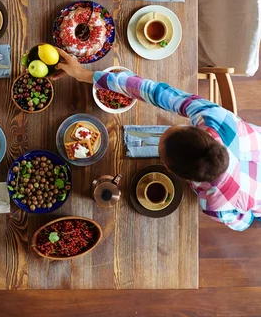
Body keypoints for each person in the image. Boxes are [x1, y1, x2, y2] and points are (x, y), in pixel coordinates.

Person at [55, 48, 261, 231]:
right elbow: (155, 92)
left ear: (169, 168)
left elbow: (246, 222)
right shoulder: (216, 117)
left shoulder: (215, 204)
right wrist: (85, 74)